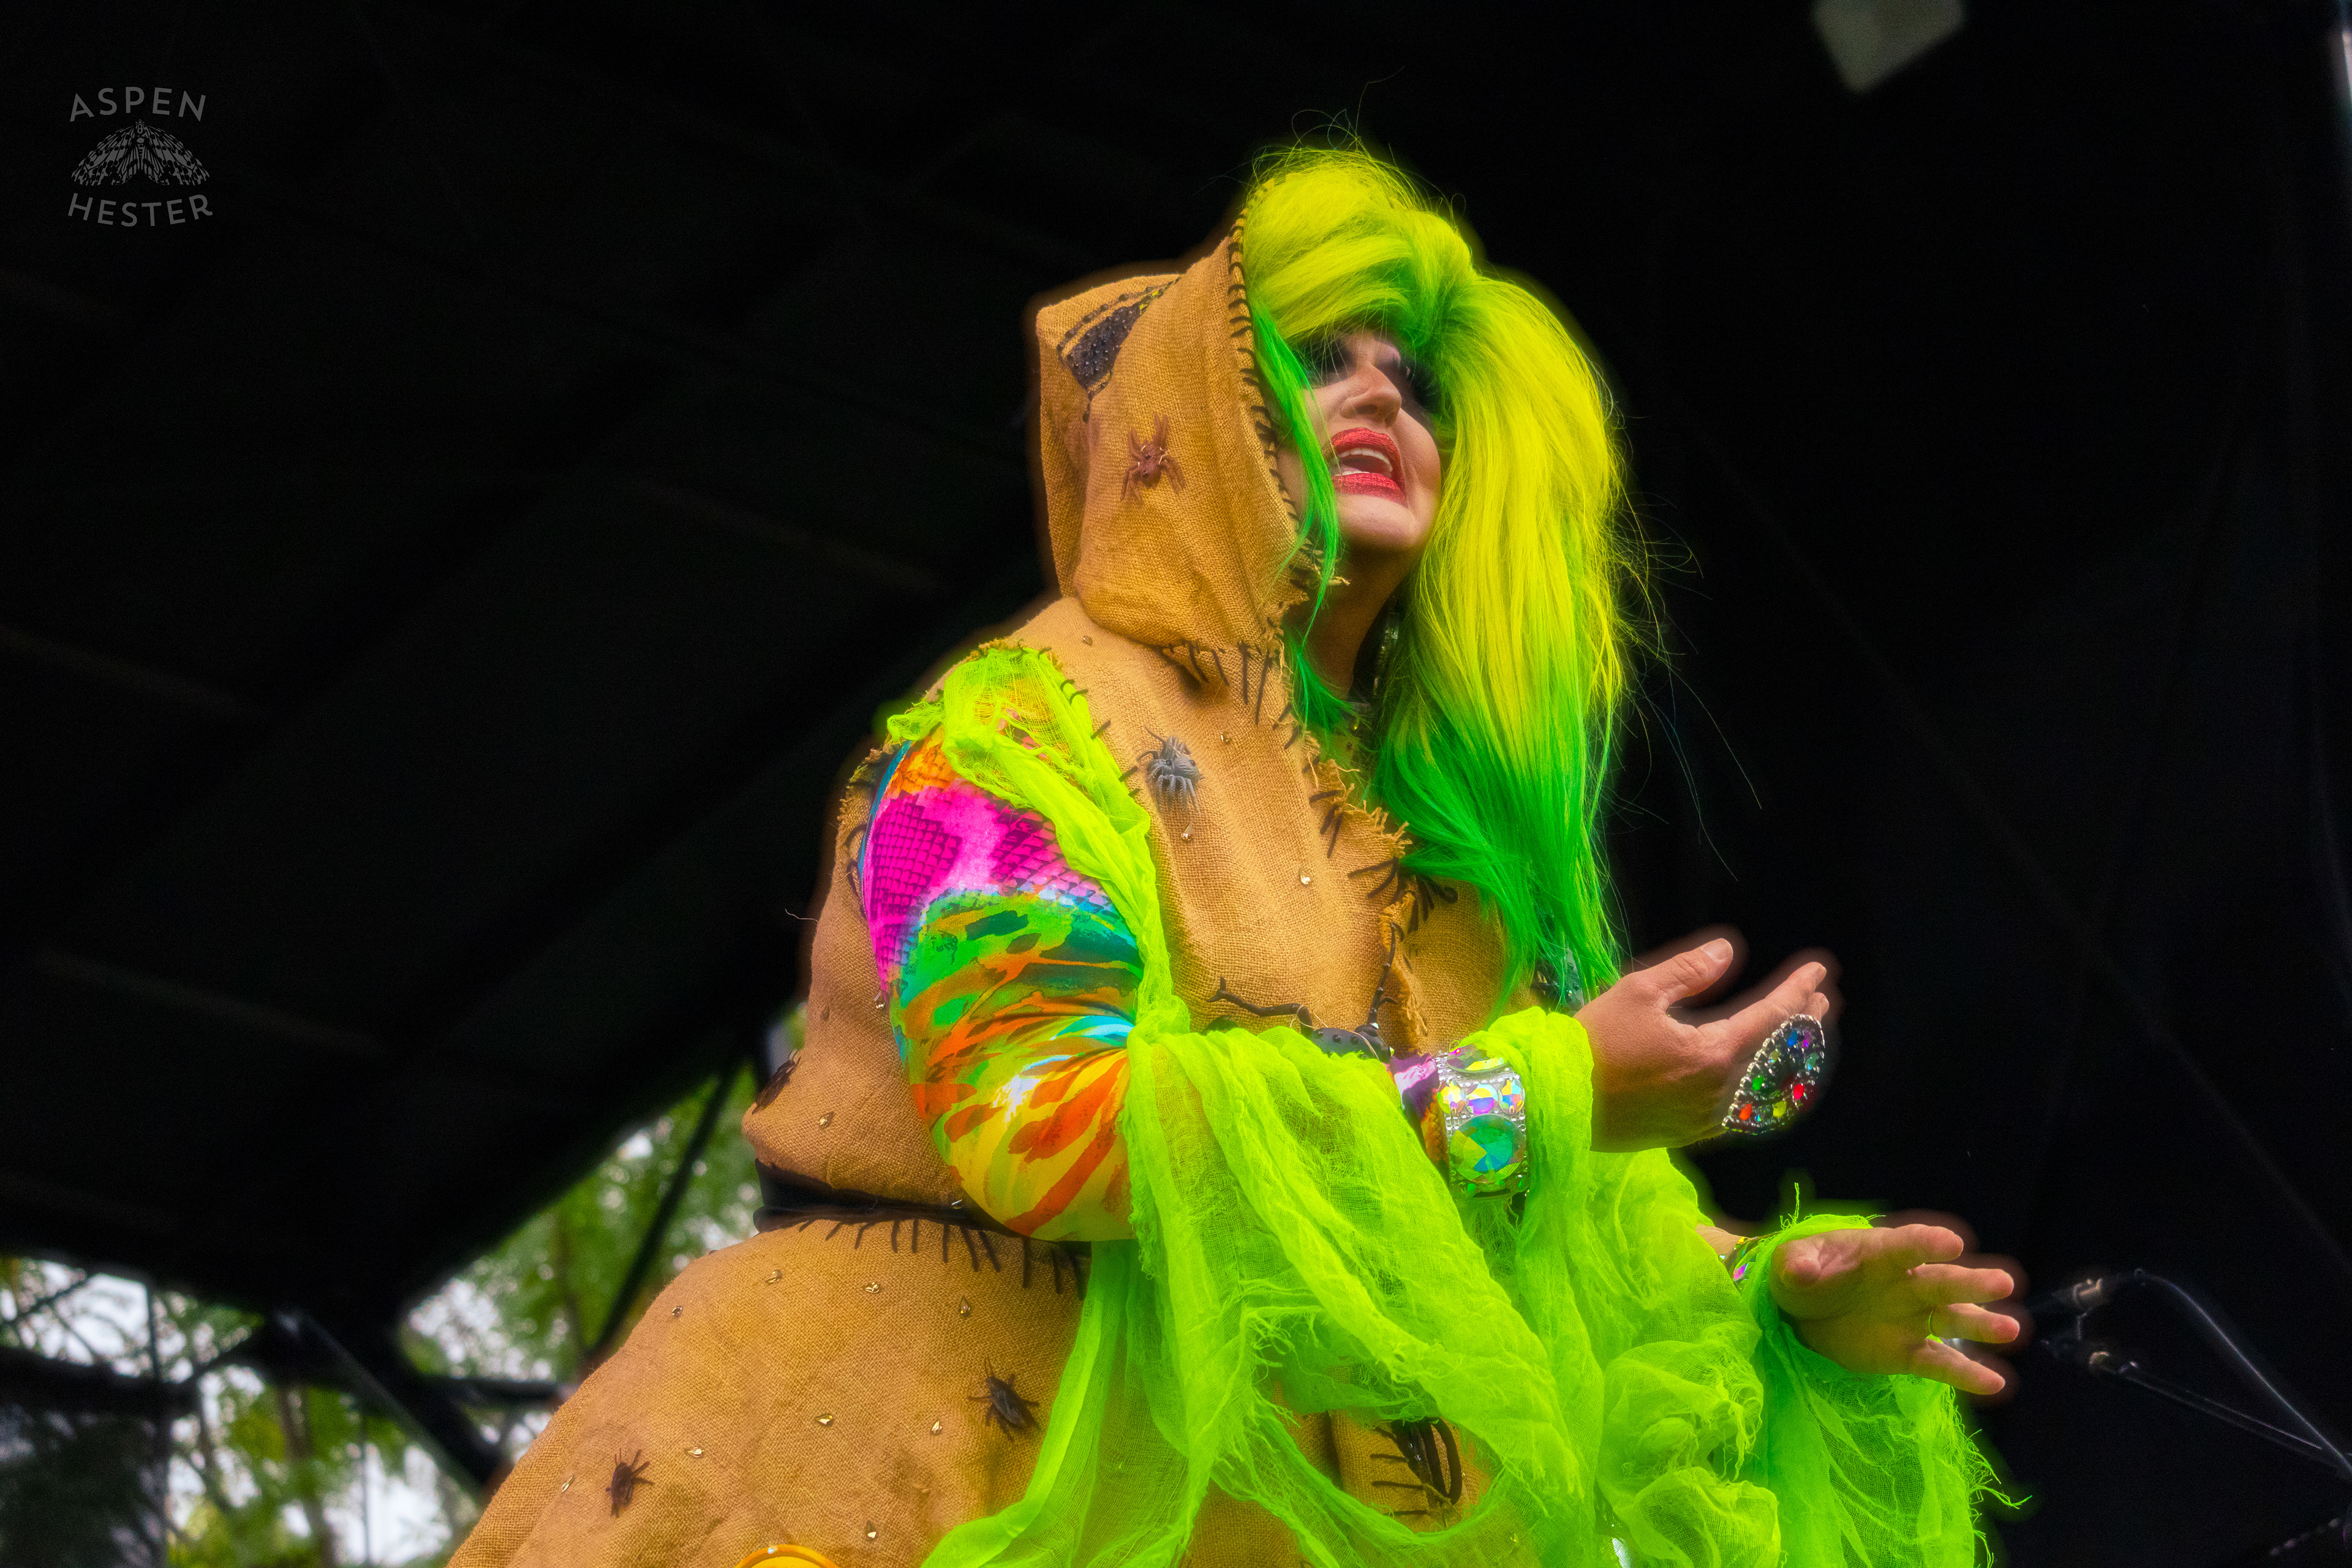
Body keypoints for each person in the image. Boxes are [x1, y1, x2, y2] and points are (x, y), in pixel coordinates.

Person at [450, 148, 2019, 1568]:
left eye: (1411, 381)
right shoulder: (1011, 731)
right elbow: (1039, 1125)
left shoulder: (1456, 871)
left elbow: (1559, 1242)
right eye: (1315, 360)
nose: (1381, 399)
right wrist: (1532, 1091)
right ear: (1191, 409)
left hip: (1258, 1506)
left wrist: (1776, 1293)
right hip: (905, 1461)